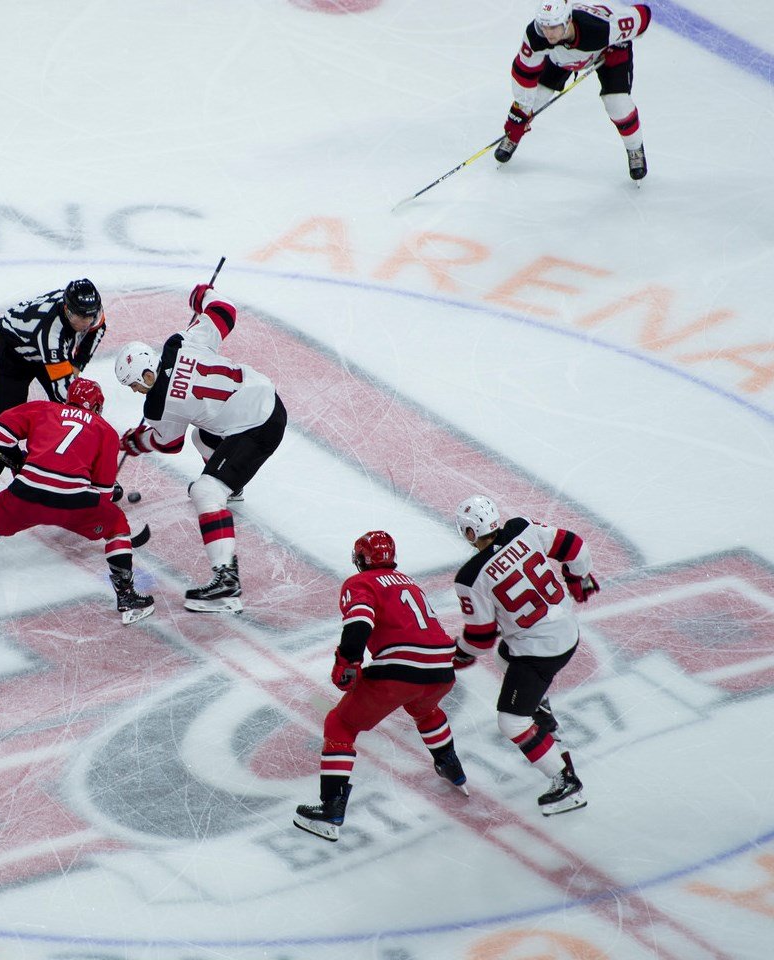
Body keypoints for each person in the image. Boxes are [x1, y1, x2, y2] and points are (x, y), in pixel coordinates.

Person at [0, 378, 154, 625]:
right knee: (117, 526)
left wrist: (20, 460)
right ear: (96, 406)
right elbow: (103, 494)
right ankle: (127, 599)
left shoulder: (44, 408)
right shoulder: (105, 430)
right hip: (75, 501)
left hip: (27, 493)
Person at [113, 284, 285, 613]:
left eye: (135, 383)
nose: (136, 391)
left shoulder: (157, 406)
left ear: (146, 372)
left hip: (257, 426)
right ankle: (232, 486)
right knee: (202, 437)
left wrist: (137, 441)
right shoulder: (180, 343)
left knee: (205, 491)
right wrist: (202, 295)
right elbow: (224, 312)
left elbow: (169, 442)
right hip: (263, 396)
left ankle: (226, 584)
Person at [294, 531, 465, 842]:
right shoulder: (408, 581)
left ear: (361, 559)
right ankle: (450, 765)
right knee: (423, 708)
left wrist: (347, 663)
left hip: (400, 669)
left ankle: (330, 810)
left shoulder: (360, 583)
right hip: (443, 668)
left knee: (340, 724)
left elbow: (359, 623)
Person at [451, 494, 601, 816]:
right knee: (505, 656)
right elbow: (575, 546)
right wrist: (579, 577)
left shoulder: (470, 577)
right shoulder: (521, 528)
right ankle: (539, 705)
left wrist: (459, 655)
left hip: (539, 652)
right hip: (568, 631)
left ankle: (566, 782)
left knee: (510, 720)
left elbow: (479, 638)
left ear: (469, 533)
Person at [0, 279, 106, 518]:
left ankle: (86, 475)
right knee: (2, 428)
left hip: (44, 350)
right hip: (12, 353)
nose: (88, 322)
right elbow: (64, 394)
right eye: (82, 317)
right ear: (67, 310)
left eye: (91, 315)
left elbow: (97, 328)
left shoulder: (90, 312)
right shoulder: (52, 334)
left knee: (73, 414)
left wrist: (77, 366)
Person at [496, 0, 653, 180]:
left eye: (553, 27)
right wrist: (519, 114)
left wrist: (617, 42)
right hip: (560, 58)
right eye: (543, 26)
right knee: (536, 97)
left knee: (616, 104)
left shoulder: (599, 29)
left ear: (568, 20)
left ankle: (634, 147)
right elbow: (523, 72)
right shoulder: (536, 35)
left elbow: (643, 15)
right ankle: (512, 137)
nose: (547, 33)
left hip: (606, 50)